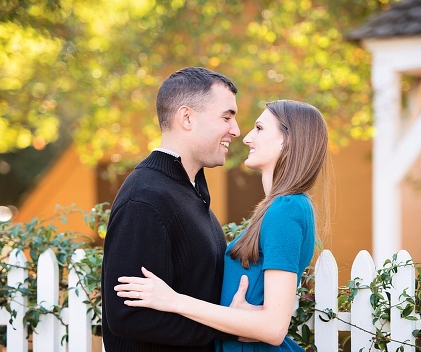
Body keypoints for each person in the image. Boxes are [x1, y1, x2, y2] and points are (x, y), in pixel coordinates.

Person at [114, 99, 329, 351]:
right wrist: (241, 319)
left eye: (259, 129)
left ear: (287, 140)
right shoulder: (281, 208)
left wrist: (173, 300)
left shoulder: (287, 209)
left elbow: (273, 327)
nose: (246, 138)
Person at [102, 67, 246, 351]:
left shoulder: (187, 192)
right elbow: (128, 316)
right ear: (187, 118)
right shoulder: (145, 199)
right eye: (226, 117)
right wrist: (232, 326)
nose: (236, 130)